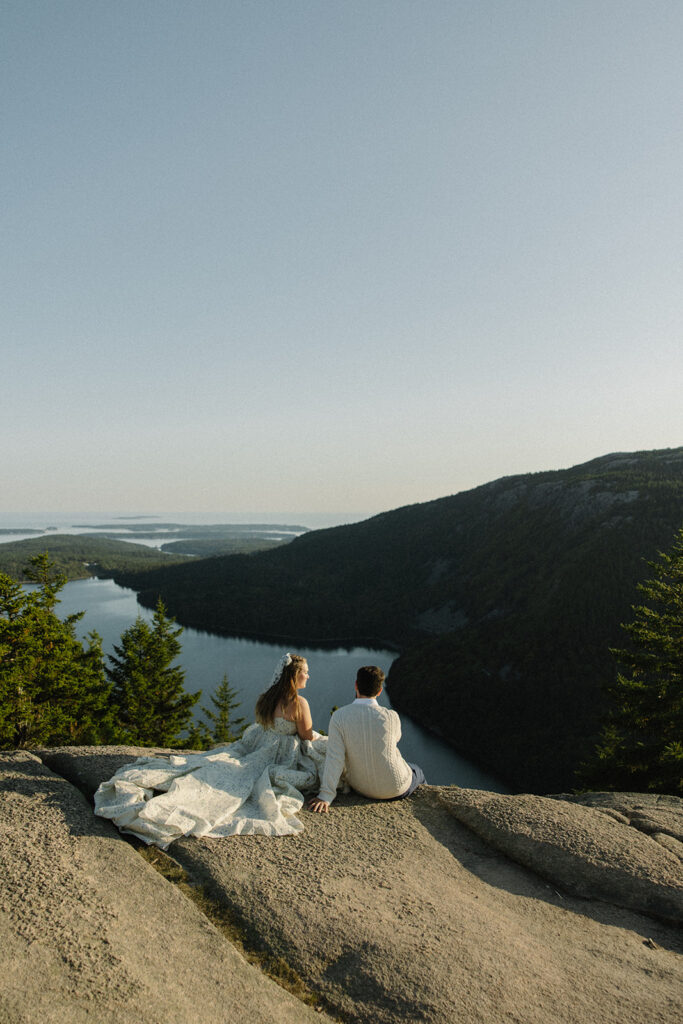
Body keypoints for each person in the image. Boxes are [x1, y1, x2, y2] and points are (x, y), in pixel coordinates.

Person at [95, 653, 328, 848]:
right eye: (305, 672)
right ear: (294, 676)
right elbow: (306, 735)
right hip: (280, 751)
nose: (308, 676)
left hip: (260, 743)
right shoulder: (299, 703)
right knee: (306, 772)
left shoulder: (268, 697)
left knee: (234, 767)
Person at [307, 665, 425, 813]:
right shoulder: (391, 716)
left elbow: (335, 757)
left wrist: (325, 795)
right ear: (380, 690)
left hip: (361, 787)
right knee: (417, 770)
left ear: (356, 685)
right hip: (395, 787)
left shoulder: (340, 716)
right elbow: (392, 742)